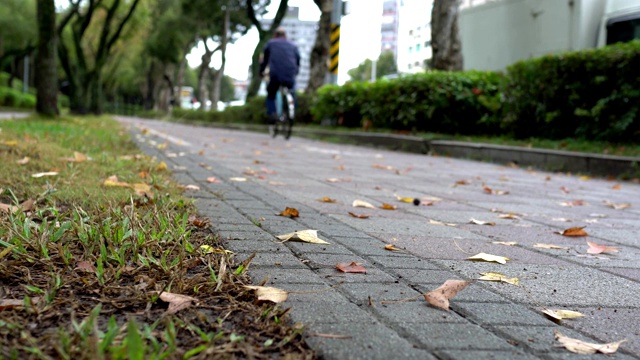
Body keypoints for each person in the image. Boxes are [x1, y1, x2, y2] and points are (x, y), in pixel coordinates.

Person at [260, 27, 301, 123]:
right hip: (290, 74)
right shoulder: (293, 45)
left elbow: (264, 60)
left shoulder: (271, 43)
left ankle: (272, 114)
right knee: (292, 91)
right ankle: (292, 110)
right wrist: (296, 72)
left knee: (271, 94)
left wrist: (261, 72)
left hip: (275, 74)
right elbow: (298, 60)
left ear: (275, 35)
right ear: (285, 35)